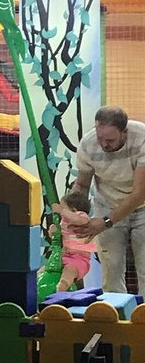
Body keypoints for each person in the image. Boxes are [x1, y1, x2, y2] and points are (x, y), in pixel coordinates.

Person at [72, 106, 145, 295]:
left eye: (110, 140)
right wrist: (75, 212)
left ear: (124, 132)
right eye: (100, 138)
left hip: (142, 205)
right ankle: (115, 311)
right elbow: (82, 184)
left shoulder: (142, 138)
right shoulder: (88, 144)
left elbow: (139, 194)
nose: (104, 144)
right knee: (111, 269)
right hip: (107, 202)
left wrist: (105, 222)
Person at [49, 192, 97, 292]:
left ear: (74, 209)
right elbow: (57, 239)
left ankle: (61, 289)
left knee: (69, 271)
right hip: (64, 256)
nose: (61, 212)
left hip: (79, 259)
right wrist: (53, 232)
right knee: (45, 269)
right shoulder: (64, 222)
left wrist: (61, 211)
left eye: (63, 207)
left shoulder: (82, 216)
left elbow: (80, 220)